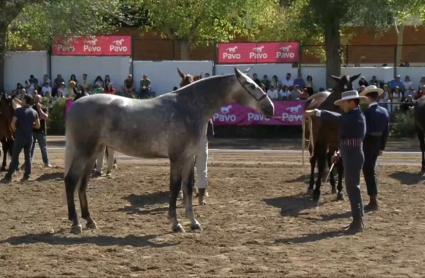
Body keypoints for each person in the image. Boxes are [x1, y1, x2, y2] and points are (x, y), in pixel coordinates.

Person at [305, 90, 367, 233]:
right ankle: (358, 219)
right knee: (352, 188)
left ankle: (358, 222)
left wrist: (317, 112)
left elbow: (339, 119)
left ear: (352, 102)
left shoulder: (354, 117)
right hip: (351, 154)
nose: (342, 106)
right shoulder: (353, 115)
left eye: (344, 103)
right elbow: (348, 139)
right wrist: (340, 152)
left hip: (353, 155)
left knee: (353, 189)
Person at [360, 85, 389, 212]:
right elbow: (386, 132)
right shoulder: (385, 111)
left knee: (368, 170)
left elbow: (363, 132)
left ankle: (373, 199)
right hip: (377, 143)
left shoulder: (366, 113)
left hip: (368, 143)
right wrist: (382, 147)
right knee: (371, 169)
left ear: (367, 97)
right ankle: (373, 197)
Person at [1, 95, 40, 183]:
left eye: (22, 99)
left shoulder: (18, 111)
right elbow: (38, 126)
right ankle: (27, 176)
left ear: (26, 101)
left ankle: (8, 177)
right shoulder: (34, 112)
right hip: (30, 137)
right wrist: (29, 125)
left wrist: (15, 129)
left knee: (15, 157)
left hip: (20, 137)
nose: (21, 101)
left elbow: (12, 124)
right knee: (28, 157)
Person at [31, 94, 52, 168]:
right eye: (35, 99)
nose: (36, 100)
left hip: (41, 132)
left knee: (43, 148)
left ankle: (46, 162)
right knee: (31, 148)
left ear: (41, 100)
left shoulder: (44, 108)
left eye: (38, 99)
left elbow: (45, 117)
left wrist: (39, 109)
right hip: (33, 131)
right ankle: (28, 163)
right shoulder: (32, 108)